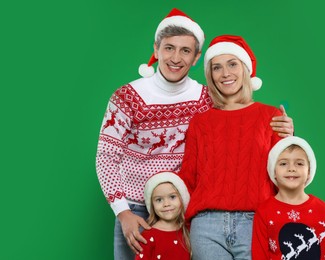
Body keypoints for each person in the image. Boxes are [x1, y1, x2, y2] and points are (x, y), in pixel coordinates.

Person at [95, 8, 294, 259]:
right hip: (134, 207)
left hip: (181, 207)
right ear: (156, 50)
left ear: (196, 57)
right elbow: (106, 156)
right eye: (169, 48)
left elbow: (239, 126)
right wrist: (122, 212)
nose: (176, 58)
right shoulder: (127, 97)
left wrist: (285, 132)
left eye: (185, 50)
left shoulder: (205, 99)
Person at [179, 34, 293, 260]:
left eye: (232, 64)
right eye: (217, 67)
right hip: (206, 226)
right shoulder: (199, 123)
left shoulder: (271, 116)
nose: (225, 74)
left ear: (245, 69)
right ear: (210, 75)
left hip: (256, 223)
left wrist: (291, 140)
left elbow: (285, 174)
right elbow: (188, 177)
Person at [252, 136, 325, 259]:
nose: (291, 168)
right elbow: (259, 256)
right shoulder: (264, 212)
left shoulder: (323, 209)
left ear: (309, 172)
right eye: (283, 163)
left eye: (299, 163)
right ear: (274, 171)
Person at [135, 171, 191, 260]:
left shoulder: (187, 231)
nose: (166, 204)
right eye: (159, 200)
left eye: (172, 197)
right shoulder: (148, 236)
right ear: (152, 205)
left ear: (182, 198)